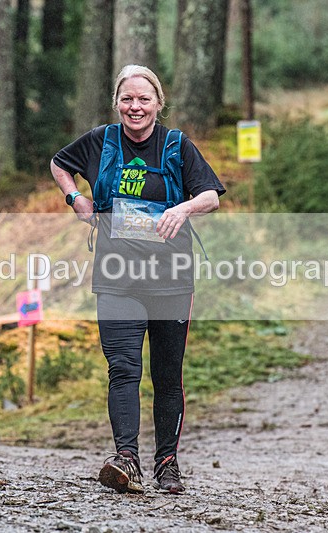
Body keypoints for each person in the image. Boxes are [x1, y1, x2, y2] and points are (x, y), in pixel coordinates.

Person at [50, 64, 225, 494]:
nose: (135, 107)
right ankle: (126, 458)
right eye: (127, 99)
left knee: (167, 377)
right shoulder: (100, 141)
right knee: (123, 369)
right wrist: (76, 199)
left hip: (170, 280)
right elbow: (58, 163)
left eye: (144, 99)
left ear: (158, 104)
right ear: (117, 103)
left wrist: (183, 209)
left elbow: (210, 195)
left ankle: (167, 463)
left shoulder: (176, 145)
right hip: (116, 276)